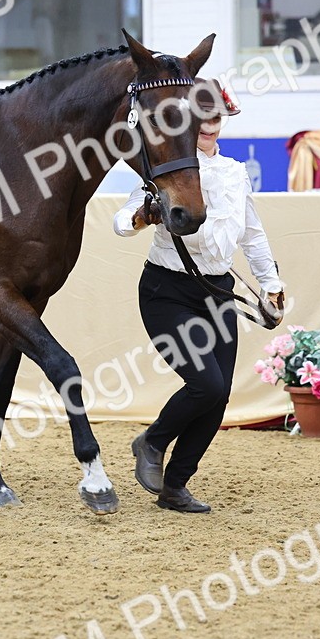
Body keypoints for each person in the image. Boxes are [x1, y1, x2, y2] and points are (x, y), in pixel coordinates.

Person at [114, 83, 285, 513]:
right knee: (206, 385)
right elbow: (120, 221)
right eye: (201, 118)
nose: (209, 125)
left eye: (216, 118)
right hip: (167, 292)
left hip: (217, 292)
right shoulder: (167, 170)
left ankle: (175, 486)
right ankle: (152, 442)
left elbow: (252, 234)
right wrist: (144, 215)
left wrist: (271, 285)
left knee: (218, 395)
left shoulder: (234, 172)